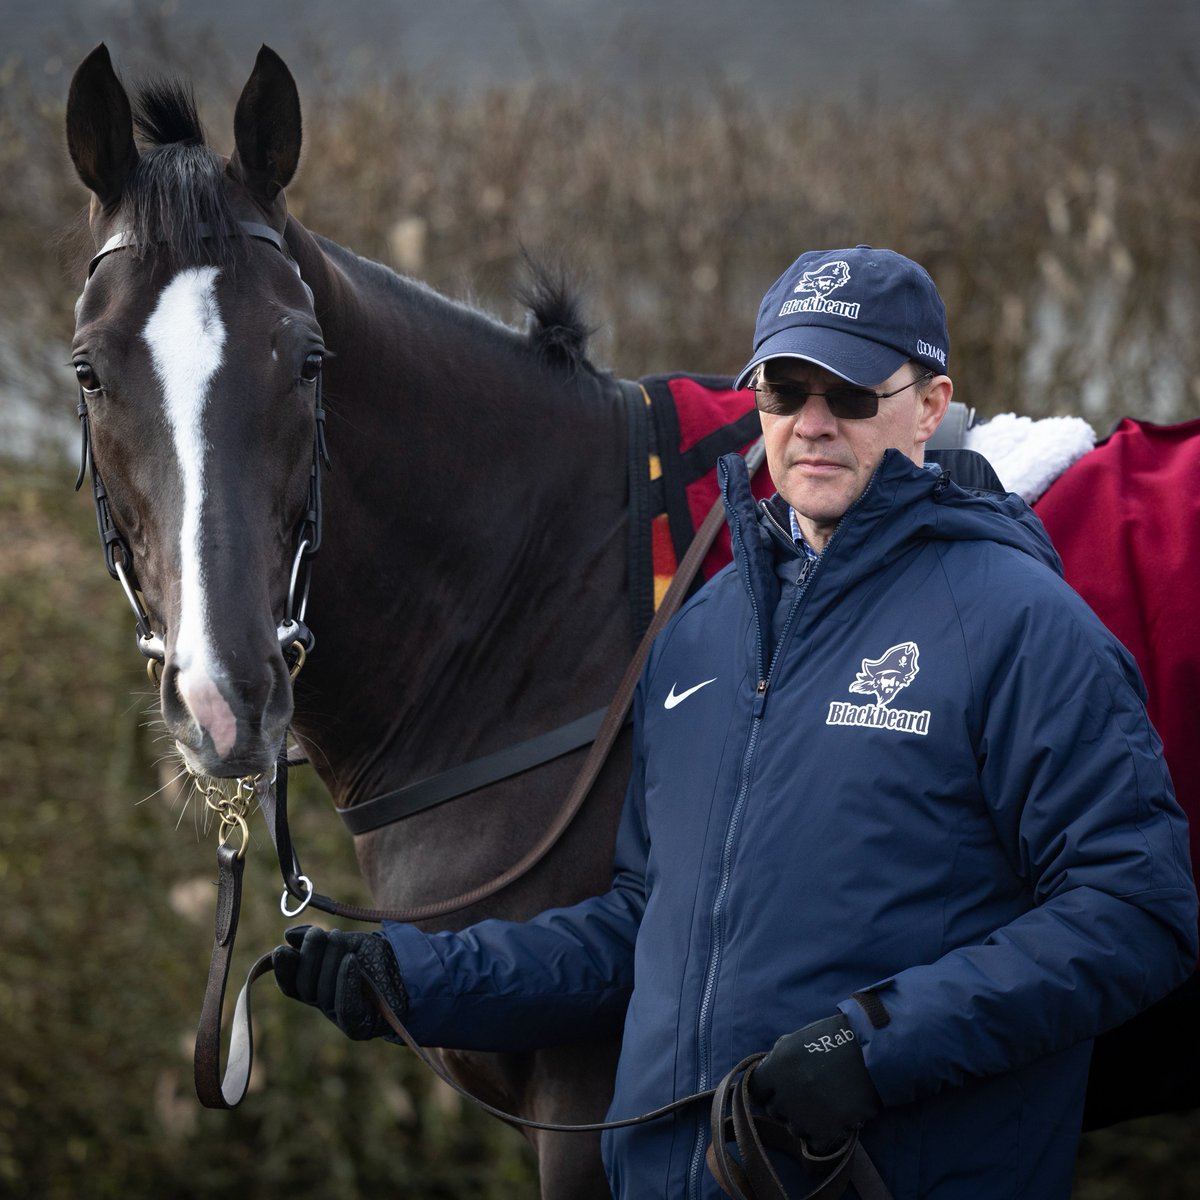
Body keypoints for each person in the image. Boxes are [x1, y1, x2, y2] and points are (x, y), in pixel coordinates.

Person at [274, 246, 1198, 1199]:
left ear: (930, 405)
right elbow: (639, 930)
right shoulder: (701, 637)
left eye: (849, 391)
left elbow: (1135, 914)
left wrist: (866, 1047)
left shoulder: (1022, 623)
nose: (811, 423)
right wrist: (414, 979)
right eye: (785, 387)